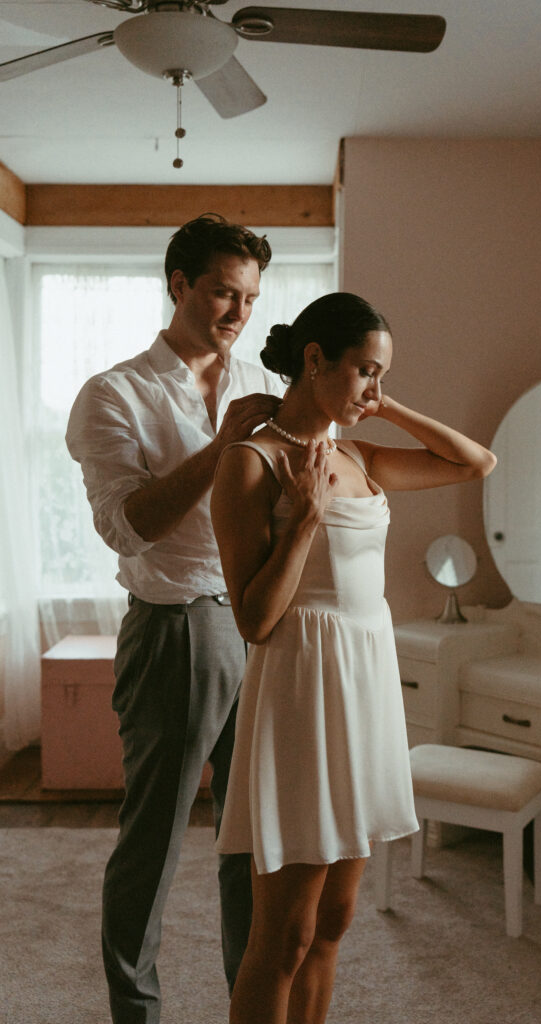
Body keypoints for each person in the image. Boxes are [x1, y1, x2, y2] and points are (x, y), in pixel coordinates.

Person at [209, 291, 497, 1023]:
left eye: (381, 374)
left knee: (334, 921)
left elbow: (476, 463)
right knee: (284, 934)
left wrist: (385, 406)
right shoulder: (251, 462)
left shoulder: (358, 454)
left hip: (365, 684)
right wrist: (304, 518)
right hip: (303, 688)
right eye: (365, 371)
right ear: (314, 361)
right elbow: (254, 619)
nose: (373, 386)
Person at [65, 213, 284, 1023]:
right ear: (179, 284)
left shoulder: (258, 389)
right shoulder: (113, 393)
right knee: (152, 844)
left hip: (261, 621)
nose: (237, 312)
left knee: (249, 838)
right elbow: (128, 525)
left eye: (249, 297)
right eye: (223, 291)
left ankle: (249, 1002)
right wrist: (225, 447)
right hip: (177, 627)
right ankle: (137, 1012)